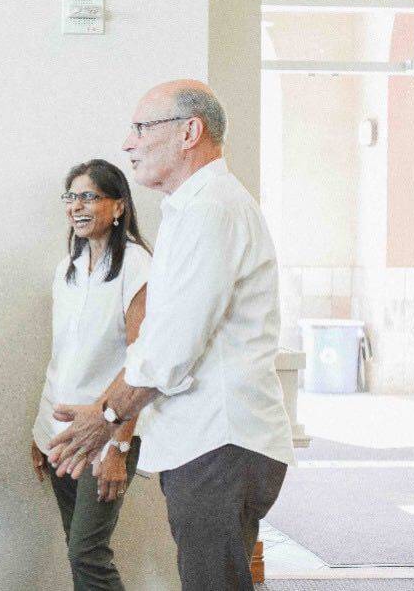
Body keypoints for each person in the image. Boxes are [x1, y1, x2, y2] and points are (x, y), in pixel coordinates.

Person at [47, 80, 295, 591]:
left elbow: (169, 347)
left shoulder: (210, 208)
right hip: (210, 442)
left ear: (189, 132)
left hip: (219, 441)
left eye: (142, 128)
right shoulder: (195, 207)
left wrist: (108, 418)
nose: (129, 143)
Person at [30, 159, 151, 591]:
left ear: (118, 207)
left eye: (88, 197)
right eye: (71, 197)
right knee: (76, 549)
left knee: (88, 551)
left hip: (106, 432)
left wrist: (119, 445)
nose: (76, 206)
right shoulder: (68, 266)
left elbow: (142, 362)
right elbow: (62, 358)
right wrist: (42, 432)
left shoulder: (137, 265)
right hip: (60, 432)